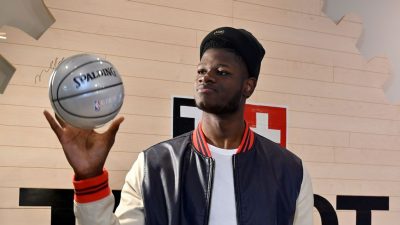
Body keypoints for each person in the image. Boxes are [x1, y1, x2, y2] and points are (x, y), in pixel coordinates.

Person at [44, 26, 314, 225]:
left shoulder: (289, 171)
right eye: (201, 70)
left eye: (222, 72)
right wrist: (89, 177)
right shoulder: (153, 165)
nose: (206, 77)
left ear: (248, 86)